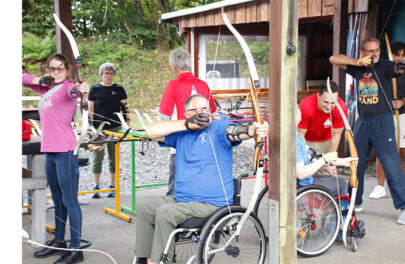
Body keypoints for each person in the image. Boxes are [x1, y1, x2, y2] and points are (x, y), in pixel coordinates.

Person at [135, 94, 268, 264]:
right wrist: (186, 124)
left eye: (206, 109)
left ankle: (161, 261)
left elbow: (235, 132)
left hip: (211, 203)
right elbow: (150, 131)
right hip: (182, 200)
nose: (202, 113)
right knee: (145, 206)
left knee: (165, 212)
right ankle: (146, 259)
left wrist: (252, 130)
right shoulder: (181, 132)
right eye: (196, 110)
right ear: (187, 113)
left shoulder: (218, 127)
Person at [329, 37, 405, 225]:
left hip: (382, 121)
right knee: (356, 163)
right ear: (362, 53)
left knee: (391, 164)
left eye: (377, 50)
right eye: (370, 51)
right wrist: (357, 62)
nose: (374, 54)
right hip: (362, 122)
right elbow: (333, 59)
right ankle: (355, 201)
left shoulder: (385, 66)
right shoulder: (358, 67)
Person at [22, 53, 89, 264]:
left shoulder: (68, 88)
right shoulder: (46, 88)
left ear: (68, 70)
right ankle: (59, 241)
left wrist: (82, 90)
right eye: (52, 69)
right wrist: (39, 80)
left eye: (60, 68)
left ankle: (76, 249)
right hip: (49, 150)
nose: (56, 72)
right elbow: (21, 77)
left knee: (69, 200)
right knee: (58, 199)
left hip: (65, 150)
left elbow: (74, 92)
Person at [158, 48, 216, 196]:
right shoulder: (203, 84)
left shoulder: (173, 85)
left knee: (176, 187)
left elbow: (164, 117)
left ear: (174, 67)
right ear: (190, 65)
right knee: (201, 182)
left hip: (181, 142)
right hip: (204, 141)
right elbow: (212, 111)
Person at [370, 41, 405, 201]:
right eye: (397, 54)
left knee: (404, 151)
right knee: (383, 152)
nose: (400, 58)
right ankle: (379, 187)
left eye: (402, 55)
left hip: (402, 114)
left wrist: (402, 102)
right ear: (391, 55)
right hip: (384, 115)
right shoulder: (383, 70)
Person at [88, 62, 129, 198]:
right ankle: (96, 186)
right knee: (97, 157)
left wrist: (127, 124)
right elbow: (90, 110)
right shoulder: (94, 89)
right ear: (101, 75)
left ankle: (113, 186)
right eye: (106, 73)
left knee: (114, 157)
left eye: (111, 73)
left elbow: (125, 108)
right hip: (99, 129)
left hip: (115, 127)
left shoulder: (119, 89)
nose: (109, 76)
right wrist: (91, 128)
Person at [296, 105, 357, 196]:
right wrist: (324, 160)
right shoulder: (293, 140)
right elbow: (301, 173)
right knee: (341, 183)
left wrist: (343, 162)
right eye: (297, 108)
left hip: (304, 182)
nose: (299, 109)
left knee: (334, 180)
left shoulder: (295, 135)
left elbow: (313, 156)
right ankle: (341, 210)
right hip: (303, 185)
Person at [298, 81, 348, 175]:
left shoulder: (341, 107)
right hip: (306, 141)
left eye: (333, 103)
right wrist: (311, 157)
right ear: (318, 96)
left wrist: (328, 161)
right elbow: (301, 135)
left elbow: (337, 135)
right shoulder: (306, 105)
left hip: (327, 142)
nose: (329, 107)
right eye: (325, 102)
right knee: (304, 175)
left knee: (329, 174)